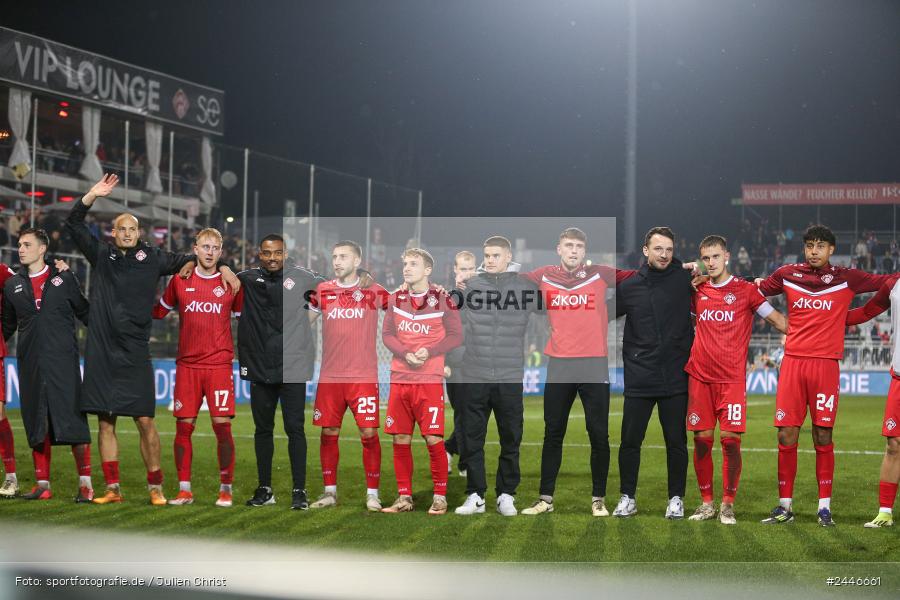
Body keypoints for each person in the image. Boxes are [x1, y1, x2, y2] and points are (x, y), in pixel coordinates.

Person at [65, 174, 239, 506]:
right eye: (122, 229)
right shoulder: (100, 254)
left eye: (133, 229)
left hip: (134, 352)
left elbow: (201, 256)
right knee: (105, 422)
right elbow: (73, 225)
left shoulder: (154, 258)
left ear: (139, 233)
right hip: (101, 351)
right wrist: (92, 194)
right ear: (113, 233)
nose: (127, 233)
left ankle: (156, 487)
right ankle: (113, 489)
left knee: (145, 421)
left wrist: (226, 266)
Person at [756, 225, 892, 526]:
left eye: (820, 245)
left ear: (832, 249)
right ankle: (785, 507)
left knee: (823, 434)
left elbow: (888, 281)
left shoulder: (848, 277)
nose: (813, 250)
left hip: (825, 366)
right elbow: (754, 291)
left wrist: (871, 308)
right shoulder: (787, 274)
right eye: (808, 245)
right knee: (786, 434)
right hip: (793, 364)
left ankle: (824, 508)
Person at [519, 227, 630, 517]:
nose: (573, 250)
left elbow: (636, 278)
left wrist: (678, 271)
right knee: (553, 433)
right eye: (568, 245)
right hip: (559, 363)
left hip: (594, 363)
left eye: (578, 246)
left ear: (584, 251)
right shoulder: (543, 275)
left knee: (598, 434)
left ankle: (598, 500)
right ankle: (545, 499)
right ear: (559, 249)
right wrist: (476, 279)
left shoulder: (600, 274)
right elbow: (512, 281)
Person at [684, 235, 787, 525]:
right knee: (702, 441)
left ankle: (728, 504)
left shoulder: (746, 291)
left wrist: (815, 333)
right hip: (700, 377)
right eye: (706, 258)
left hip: (731, 380)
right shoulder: (697, 290)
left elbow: (778, 321)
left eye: (715, 256)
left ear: (727, 256)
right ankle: (707, 504)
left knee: (731, 442)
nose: (711, 262)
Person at [152, 228, 243, 507]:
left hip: (218, 365)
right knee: (184, 429)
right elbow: (158, 312)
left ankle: (225, 489)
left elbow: (246, 320)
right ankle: (184, 490)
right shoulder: (181, 280)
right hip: (188, 366)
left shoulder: (231, 284)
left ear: (221, 252)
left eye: (215, 247)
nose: (209, 252)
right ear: (195, 248)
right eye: (205, 246)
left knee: (222, 428)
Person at [1, 229, 93, 502]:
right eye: (19, 244)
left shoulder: (63, 278)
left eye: (27, 245)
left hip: (63, 361)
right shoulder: (13, 285)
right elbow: (6, 326)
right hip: (30, 363)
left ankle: (85, 484)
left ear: (42, 249)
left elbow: (85, 312)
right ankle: (43, 484)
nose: (21, 249)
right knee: (35, 420)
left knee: (73, 421)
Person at [453, 236, 541, 517]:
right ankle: (476, 495)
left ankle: (506, 495)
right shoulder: (469, 287)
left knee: (511, 438)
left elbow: (554, 308)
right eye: (486, 255)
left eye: (495, 255)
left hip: (509, 375)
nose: (489, 260)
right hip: (474, 373)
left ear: (508, 256)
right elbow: (447, 319)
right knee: (472, 438)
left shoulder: (525, 286)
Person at [613, 226, 695, 519]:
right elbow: (600, 313)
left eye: (669, 250)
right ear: (646, 250)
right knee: (630, 442)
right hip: (640, 377)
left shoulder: (686, 279)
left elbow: (722, 280)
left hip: (675, 377)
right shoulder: (631, 285)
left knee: (676, 442)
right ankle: (627, 497)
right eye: (658, 249)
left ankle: (676, 499)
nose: (664, 254)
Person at [239, 234, 323, 510]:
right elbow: (219, 276)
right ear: (259, 255)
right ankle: (265, 488)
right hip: (261, 365)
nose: (272, 257)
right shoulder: (247, 279)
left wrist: (364, 275)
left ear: (285, 253)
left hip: (293, 365)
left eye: (277, 253)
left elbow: (332, 288)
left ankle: (299, 490)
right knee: (263, 429)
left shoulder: (303, 277)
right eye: (267, 253)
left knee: (295, 429)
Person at [379, 249, 462, 514]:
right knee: (400, 439)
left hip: (429, 379)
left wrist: (431, 351)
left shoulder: (443, 299)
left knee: (433, 438)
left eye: (414, 264)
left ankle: (440, 496)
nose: (407, 268)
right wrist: (405, 353)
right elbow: (388, 334)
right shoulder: (395, 298)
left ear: (428, 270)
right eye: (405, 263)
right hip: (401, 378)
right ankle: (404, 498)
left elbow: (456, 336)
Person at [308, 241, 388, 512]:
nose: (337, 261)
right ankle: (330, 492)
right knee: (329, 431)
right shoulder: (322, 290)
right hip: (330, 376)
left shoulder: (372, 290)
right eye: (334, 256)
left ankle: (373, 494)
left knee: (369, 433)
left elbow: (402, 307)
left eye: (343, 256)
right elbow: (303, 320)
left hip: (363, 376)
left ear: (357, 262)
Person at [845, 273, 900, 527]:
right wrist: (831, 317)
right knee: (894, 445)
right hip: (899, 376)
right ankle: (885, 512)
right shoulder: (894, 283)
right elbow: (867, 311)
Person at [443, 250, 477, 478]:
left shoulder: (481, 295)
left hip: (478, 364)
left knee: (474, 413)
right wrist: (443, 361)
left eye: (470, 269)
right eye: (462, 269)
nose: (466, 273)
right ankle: (466, 462)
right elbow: (439, 332)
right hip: (456, 364)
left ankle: (449, 448)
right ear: (455, 270)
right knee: (464, 412)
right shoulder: (446, 297)